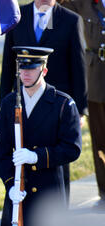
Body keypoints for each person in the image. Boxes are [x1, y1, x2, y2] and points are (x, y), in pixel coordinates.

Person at [0, 46, 82, 226]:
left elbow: (72, 148)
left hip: (48, 197)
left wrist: (38, 156)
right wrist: (11, 184)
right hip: (19, 199)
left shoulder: (63, 103)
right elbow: (1, 153)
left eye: (31, 67)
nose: (25, 72)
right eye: (22, 67)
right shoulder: (10, 102)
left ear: (43, 69)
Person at [0, 0, 88, 207]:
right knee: (21, 156)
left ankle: (58, 212)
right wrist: (4, 100)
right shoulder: (17, 16)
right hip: (22, 101)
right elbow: (8, 62)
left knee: (56, 167)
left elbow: (78, 66)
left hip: (56, 108)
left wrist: (80, 110)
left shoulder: (70, 20)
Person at [59, 0, 105, 208]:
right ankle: (104, 190)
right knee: (100, 137)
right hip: (96, 77)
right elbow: (59, 7)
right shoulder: (83, 3)